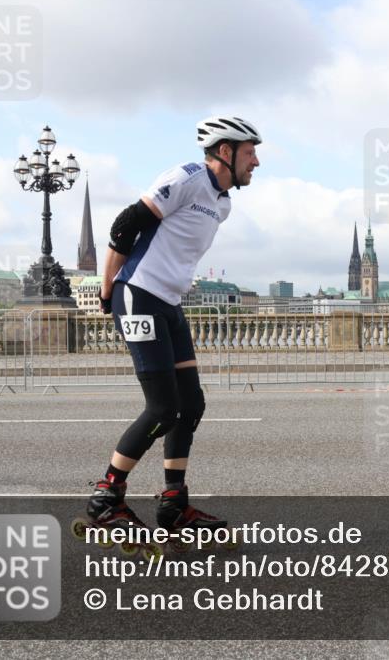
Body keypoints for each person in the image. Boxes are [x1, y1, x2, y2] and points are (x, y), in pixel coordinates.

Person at [87, 115, 261, 534]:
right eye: (251, 152)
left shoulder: (223, 203)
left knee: (192, 405)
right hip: (139, 293)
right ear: (226, 151)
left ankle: (172, 503)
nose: (256, 162)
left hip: (169, 302)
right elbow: (125, 227)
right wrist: (109, 290)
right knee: (163, 408)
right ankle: (106, 496)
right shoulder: (186, 178)